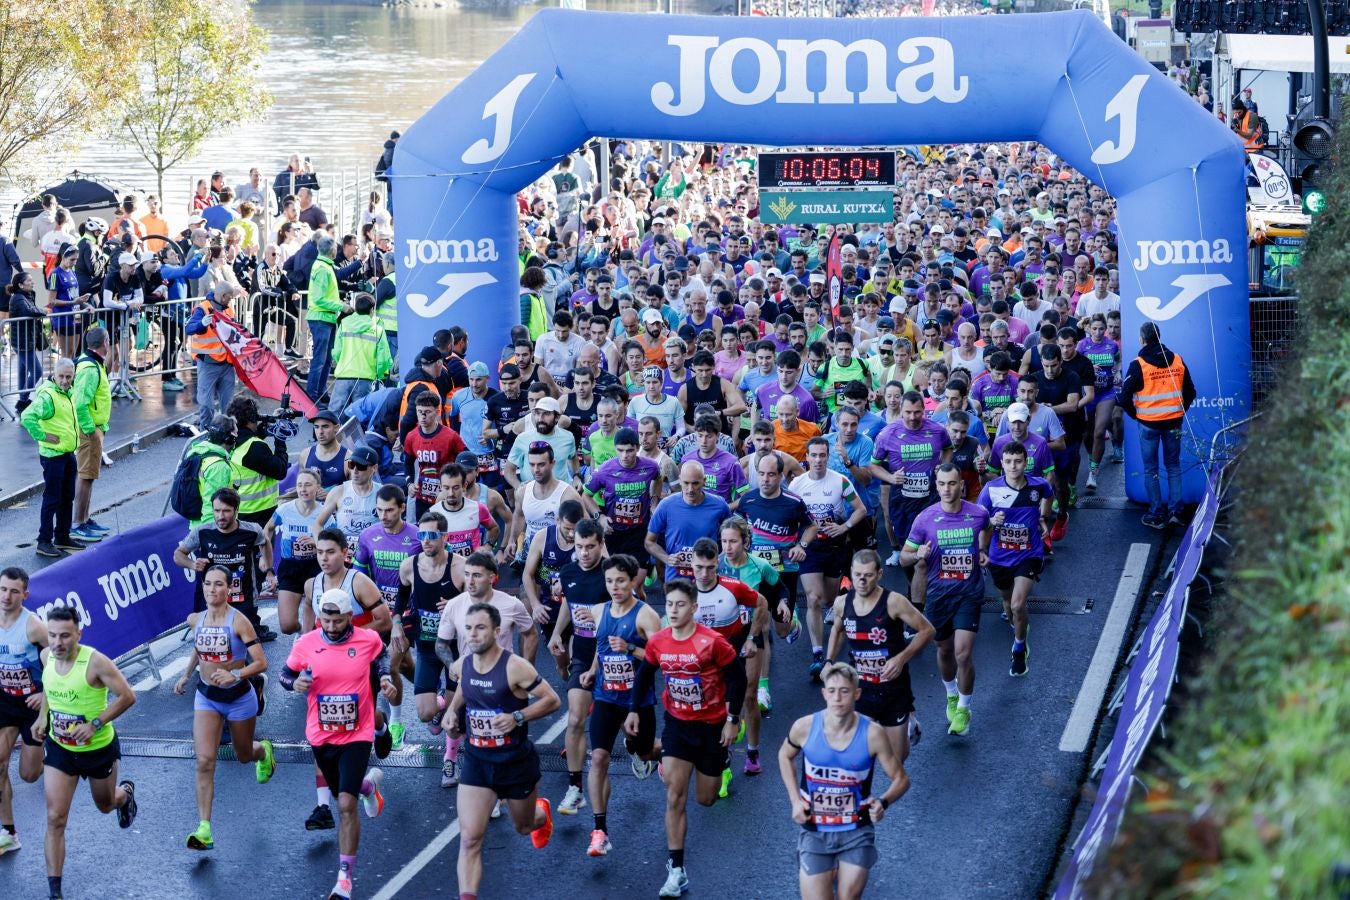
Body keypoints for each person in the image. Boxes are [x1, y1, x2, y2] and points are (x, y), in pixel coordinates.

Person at [628, 579, 747, 899]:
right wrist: (634, 710)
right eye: (670, 605)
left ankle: (703, 758)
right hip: (678, 725)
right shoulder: (659, 642)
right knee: (674, 797)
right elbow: (643, 675)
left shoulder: (714, 643)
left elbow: (738, 678)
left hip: (711, 726)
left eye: (681, 605)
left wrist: (733, 720)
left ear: (694, 608)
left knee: (706, 799)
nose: (675, 610)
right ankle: (676, 870)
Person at [279, 588, 395, 900]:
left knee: (344, 805)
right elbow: (284, 675)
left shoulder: (366, 640)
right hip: (321, 734)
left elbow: (382, 656)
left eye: (336, 620)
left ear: (348, 617)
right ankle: (368, 788)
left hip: (357, 733)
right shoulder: (307, 643)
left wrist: (385, 679)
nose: (330, 626)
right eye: (325, 620)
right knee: (343, 791)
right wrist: (295, 683)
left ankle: (344, 878)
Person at [443, 604, 561, 897]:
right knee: (470, 839)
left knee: (523, 827)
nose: (473, 634)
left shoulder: (515, 667)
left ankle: (540, 814)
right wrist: (452, 711)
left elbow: (552, 700)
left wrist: (517, 717)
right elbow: (464, 687)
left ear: (496, 632)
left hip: (515, 763)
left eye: (480, 628)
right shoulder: (462, 666)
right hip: (477, 762)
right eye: (468, 628)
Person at [777, 662, 910, 900]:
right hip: (815, 829)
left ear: (857, 694)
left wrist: (883, 802)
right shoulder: (804, 727)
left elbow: (901, 779)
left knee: (848, 896)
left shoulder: (873, 733)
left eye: (845, 691)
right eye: (832, 690)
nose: (837, 697)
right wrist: (795, 801)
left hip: (856, 830)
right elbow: (784, 755)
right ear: (824, 693)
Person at [33, 606, 138, 900]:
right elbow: (50, 690)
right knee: (55, 818)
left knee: (105, 805)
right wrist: (43, 717)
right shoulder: (46, 657)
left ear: (79, 633)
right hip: (61, 749)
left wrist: (95, 723)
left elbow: (128, 696)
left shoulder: (95, 662)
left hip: (97, 750)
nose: (57, 643)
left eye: (65, 636)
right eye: (52, 635)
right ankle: (55, 892)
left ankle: (125, 794)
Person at [172, 565, 276, 851]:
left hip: (239, 697)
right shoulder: (197, 619)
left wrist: (237, 675)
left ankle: (262, 750)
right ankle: (204, 828)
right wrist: (185, 675)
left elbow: (261, 662)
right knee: (205, 761)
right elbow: (198, 648)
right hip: (206, 697)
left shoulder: (239, 622)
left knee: (243, 755)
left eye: (218, 584)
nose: (212, 589)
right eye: (207, 584)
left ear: (229, 589)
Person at [577, 554, 664, 856]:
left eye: (621, 581)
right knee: (598, 758)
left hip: (637, 702)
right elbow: (601, 648)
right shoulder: (599, 611)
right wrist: (591, 670)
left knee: (646, 750)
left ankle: (668, 750)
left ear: (632, 581)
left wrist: (630, 648)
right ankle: (600, 830)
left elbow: (661, 658)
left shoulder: (646, 615)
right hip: (605, 697)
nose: (615, 586)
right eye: (610, 581)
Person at [901, 464, 992, 735]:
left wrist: (983, 549)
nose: (947, 489)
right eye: (942, 484)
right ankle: (951, 693)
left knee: (963, 653)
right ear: (936, 485)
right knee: (944, 649)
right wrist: (919, 556)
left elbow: (987, 528)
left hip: (969, 592)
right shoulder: (925, 519)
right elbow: (905, 555)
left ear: (961, 485)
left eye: (952, 484)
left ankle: (963, 708)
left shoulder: (977, 514)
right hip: (939, 594)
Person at [688, 538, 767, 795]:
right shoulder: (686, 593)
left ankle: (752, 752)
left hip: (734, 658)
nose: (704, 574)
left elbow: (761, 603)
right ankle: (724, 766)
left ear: (717, 564)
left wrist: (753, 637)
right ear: (691, 564)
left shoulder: (734, 588)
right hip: (704, 665)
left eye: (710, 567)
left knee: (748, 699)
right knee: (711, 717)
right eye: (699, 567)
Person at [392, 511, 463, 787]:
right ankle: (439, 707)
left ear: (444, 537)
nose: (426, 541)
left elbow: (480, 604)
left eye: (432, 536)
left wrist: (458, 604)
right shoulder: (409, 566)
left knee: (454, 718)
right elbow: (400, 597)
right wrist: (397, 622)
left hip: (456, 652)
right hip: (427, 648)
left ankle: (450, 761)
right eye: (421, 535)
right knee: (425, 714)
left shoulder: (460, 568)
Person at [547, 519, 610, 815]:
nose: (584, 553)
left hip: (612, 657)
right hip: (583, 653)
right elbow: (568, 603)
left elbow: (627, 613)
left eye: (590, 547)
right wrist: (559, 631)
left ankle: (646, 752)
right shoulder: (568, 571)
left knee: (630, 730)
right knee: (575, 719)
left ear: (600, 544)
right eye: (579, 547)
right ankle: (575, 788)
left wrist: (599, 615)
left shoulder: (612, 575)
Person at [792, 439, 868, 680]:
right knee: (813, 598)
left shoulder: (839, 481)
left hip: (835, 546)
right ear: (806, 457)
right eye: (813, 455)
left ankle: (843, 589)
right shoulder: (797, 484)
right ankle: (818, 654)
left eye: (822, 455)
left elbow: (860, 509)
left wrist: (844, 527)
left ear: (827, 456)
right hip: (810, 549)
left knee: (828, 599)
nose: (818, 460)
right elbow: (790, 516)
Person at [978, 442, 1053, 677]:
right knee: (1007, 602)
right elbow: (979, 521)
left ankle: (1019, 647)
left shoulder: (1037, 486)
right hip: (999, 556)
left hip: (1029, 554)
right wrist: (992, 523)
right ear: (1001, 463)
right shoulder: (990, 489)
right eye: (1008, 462)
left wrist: (1043, 518)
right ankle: (1018, 626)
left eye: (1018, 461)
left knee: (1018, 604)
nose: (1013, 466)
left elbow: (1049, 495)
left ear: (1025, 462)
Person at [355, 486, 421, 748]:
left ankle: (396, 721)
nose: (383, 515)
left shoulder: (417, 536)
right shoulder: (367, 536)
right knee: (405, 664)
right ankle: (436, 688)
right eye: (379, 510)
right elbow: (359, 576)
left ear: (402, 508)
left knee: (390, 666)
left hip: (407, 613)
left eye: (390, 510)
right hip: (380, 612)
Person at [869, 391, 952, 587]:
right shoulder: (888, 433)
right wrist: (890, 477)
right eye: (908, 412)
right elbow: (873, 466)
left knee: (932, 546)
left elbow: (948, 448)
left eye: (917, 412)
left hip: (930, 498)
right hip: (902, 500)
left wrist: (942, 467)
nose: (913, 417)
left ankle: (929, 588)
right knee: (908, 549)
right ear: (901, 411)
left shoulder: (937, 430)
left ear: (924, 410)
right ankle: (913, 585)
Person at [1119, 321, 1196, 529]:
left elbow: (1124, 397)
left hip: (1149, 424)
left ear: (1142, 339)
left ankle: (1155, 513)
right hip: (1174, 422)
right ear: (1159, 337)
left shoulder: (1139, 364)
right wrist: (1179, 412)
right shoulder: (1177, 359)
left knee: (1151, 468)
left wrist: (1137, 415)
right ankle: (1176, 513)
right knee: (1173, 465)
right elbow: (1191, 392)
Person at [173, 488, 277, 641]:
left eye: (226, 511)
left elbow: (265, 542)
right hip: (211, 595)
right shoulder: (202, 532)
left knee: (240, 642)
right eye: (217, 510)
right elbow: (178, 555)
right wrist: (192, 564)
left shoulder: (252, 530)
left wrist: (267, 566)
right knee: (214, 641)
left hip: (243, 595)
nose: (220, 516)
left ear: (236, 510)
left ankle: (253, 631)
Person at [0, 567, 47, 856]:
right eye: (3, 589)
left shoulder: (34, 627)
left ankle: (51, 753)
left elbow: (60, 660)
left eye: (14, 591)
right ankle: (8, 832)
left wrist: (45, 694)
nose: (7, 596)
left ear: (24, 594)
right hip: (4, 701)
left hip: (33, 704)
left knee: (29, 775)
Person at [583, 427, 663, 592]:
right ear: (615, 448)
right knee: (618, 582)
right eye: (620, 450)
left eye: (630, 451)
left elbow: (658, 479)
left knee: (634, 586)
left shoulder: (650, 466)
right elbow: (586, 496)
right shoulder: (604, 470)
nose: (625, 456)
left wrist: (654, 501)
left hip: (640, 530)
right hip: (614, 532)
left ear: (637, 448)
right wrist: (600, 517)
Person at [20, 360, 82, 559]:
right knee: (52, 499)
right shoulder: (48, 395)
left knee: (67, 497)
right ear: (54, 375)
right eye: (61, 376)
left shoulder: (68, 392)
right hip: (52, 456)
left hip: (67, 453)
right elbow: (27, 416)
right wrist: (43, 436)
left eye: (68, 377)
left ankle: (62, 536)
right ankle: (44, 541)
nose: (65, 381)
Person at [645, 460, 732, 581]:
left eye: (695, 483)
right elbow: (649, 542)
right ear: (680, 480)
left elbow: (732, 538)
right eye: (686, 483)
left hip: (707, 578)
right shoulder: (666, 505)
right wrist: (667, 558)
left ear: (704, 481)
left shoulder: (719, 505)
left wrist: (720, 559)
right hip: (676, 579)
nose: (690, 489)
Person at [270, 468, 325, 634]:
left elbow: (334, 543)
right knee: (287, 627)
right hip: (290, 567)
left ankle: (309, 637)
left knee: (318, 618)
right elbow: (267, 530)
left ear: (317, 488)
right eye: (300, 485)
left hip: (314, 568)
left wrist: (316, 542)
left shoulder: (324, 512)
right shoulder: (284, 510)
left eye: (308, 485)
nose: (303, 489)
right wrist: (267, 559)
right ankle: (302, 632)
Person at [226, 396, 291, 533]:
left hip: (241, 510)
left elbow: (248, 438)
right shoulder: (255, 447)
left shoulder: (231, 439)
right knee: (263, 553)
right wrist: (280, 440)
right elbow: (280, 470)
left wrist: (271, 420)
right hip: (260, 512)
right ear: (252, 417)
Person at [69, 328, 111, 543]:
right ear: (105, 342)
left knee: (89, 475)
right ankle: (77, 523)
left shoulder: (93, 363)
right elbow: (80, 403)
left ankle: (84, 519)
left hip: (95, 427)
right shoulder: (90, 368)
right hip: (89, 430)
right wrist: (90, 430)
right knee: (85, 476)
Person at [403, 392, 469, 518]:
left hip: (447, 496)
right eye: (419, 411)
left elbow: (467, 460)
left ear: (437, 412)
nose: (422, 416)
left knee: (447, 532)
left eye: (427, 412)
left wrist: (460, 486)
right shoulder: (412, 436)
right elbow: (407, 462)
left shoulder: (451, 437)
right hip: (423, 497)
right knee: (425, 532)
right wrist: (410, 484)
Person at [184, 286, 240, 432]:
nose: (231, 300)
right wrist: (201, 323)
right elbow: (189, 328)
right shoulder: (202, 308)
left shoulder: (228, 308)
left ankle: (229, 436)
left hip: (227, 364)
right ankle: (205, 436)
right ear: (222, 296)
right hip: (208, 364)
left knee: (228, 406)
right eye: (229, 297)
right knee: (206, 406)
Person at [329, 293, 393, 414]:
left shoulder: (344, 324)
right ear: (372, 309)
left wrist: (341, 363)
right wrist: (379, 374)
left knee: (334, 415)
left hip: (344, 375)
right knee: (360, 416)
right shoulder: (378, 329)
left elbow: (336, 351)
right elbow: (383, 358)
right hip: (365, 379)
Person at [313, 446, 383, 551]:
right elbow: (317, 524)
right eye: (352, 464)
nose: (354, 471)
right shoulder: (338, 492)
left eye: (361, 466)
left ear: (374, 468)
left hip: (373, 555)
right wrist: (322, 547)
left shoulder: (383, 493)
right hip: (345, 556)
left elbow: (395, 528)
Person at [307, 234, 350, 404]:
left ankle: (320, 392)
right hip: (321, 319)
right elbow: (319, 299)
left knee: (325, 359)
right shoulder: (323, 269)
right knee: (320, 359)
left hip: (326, 318)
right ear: (333, 250)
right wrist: (341, 306)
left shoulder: (324, 266)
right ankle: (313, 395)